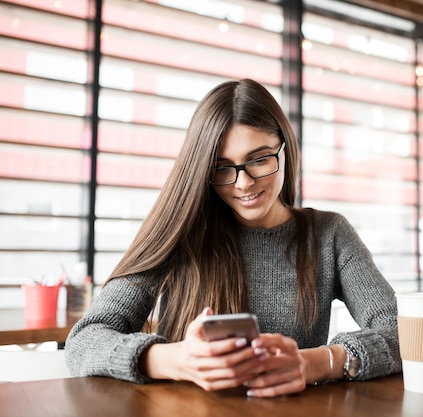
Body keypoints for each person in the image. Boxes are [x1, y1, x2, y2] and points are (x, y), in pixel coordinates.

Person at [65, 78, 401, 398]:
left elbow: (404, 333)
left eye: (258, 159)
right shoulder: (181, 231)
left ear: (285, 149)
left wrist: (316, 363)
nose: (243, 183)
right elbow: (84, 341)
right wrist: (176, 360)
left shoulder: (328, 235)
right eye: (223, 167)